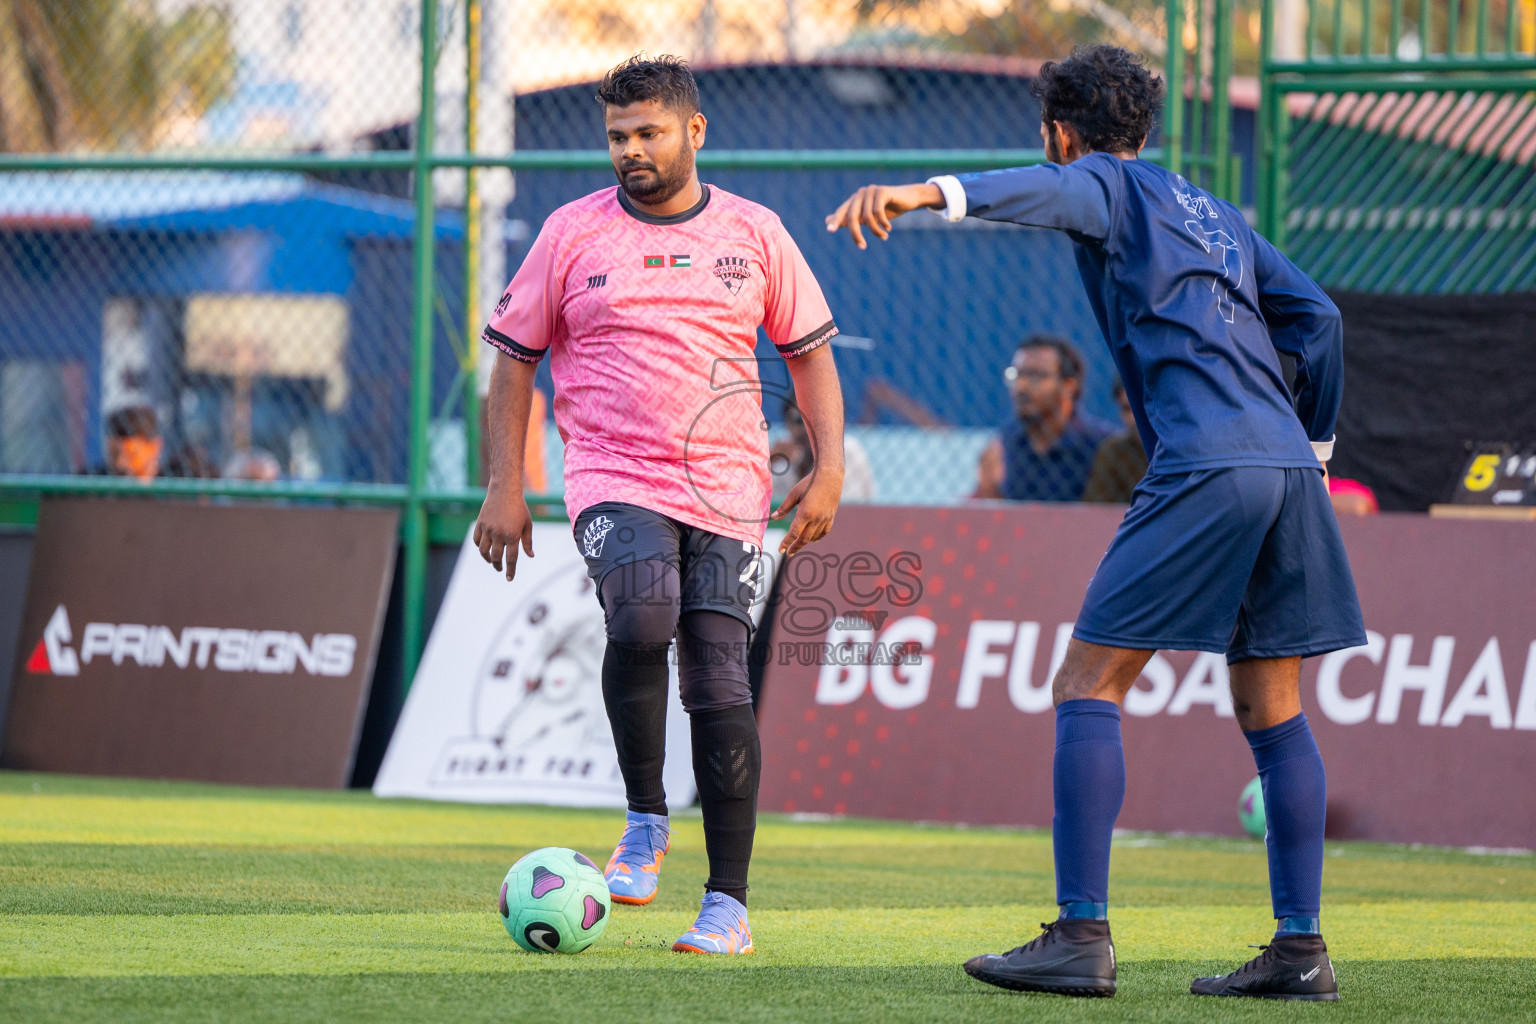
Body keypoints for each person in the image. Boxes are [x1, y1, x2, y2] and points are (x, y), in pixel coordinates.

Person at [827, 45, 1364, 1001]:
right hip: (1286, 465)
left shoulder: (1105, 185)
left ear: (1061, 134)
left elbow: (1054, 194)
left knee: (1088, 681)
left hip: (1205, 460)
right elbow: (1316, 318)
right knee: (1273, 709)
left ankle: (1081, 934)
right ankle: (1300, 950)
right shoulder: (1214, 212)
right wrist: (1313, 456)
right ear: (1147, 129)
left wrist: (921, 194)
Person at [473, 55, 846, 956]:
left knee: (720, 679)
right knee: (643, 612)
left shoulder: (755, 234)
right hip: (612, 473)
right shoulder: (570, 233)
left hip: (727, 487)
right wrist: (503, 486)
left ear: (694, 132)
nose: (631, 150)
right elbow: (514, 361)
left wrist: (828, 466)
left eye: (648, 133)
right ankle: (645, 820)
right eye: (617, 136)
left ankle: (728, 907)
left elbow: (809, 356)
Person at [975, 335, 1114, 501]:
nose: (1021, 386)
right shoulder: (1004, 445)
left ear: (1069, 385)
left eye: (1035, 376)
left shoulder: (1102, 446)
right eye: (1017, 375)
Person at [772, 398, 874, 503]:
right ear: (787, 424)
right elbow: (773, 506)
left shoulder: (846, 449)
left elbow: (846, 504)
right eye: (799, 419)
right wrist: (769, 463)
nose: (807, 426)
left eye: (816, 419)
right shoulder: (783, 453)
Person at [1080, 380, 1148, 503]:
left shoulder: (1180, 450)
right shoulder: (1113, 451)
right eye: (1127, 409)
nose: (1135, 418)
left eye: (1142, 406)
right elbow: (1095, 508)